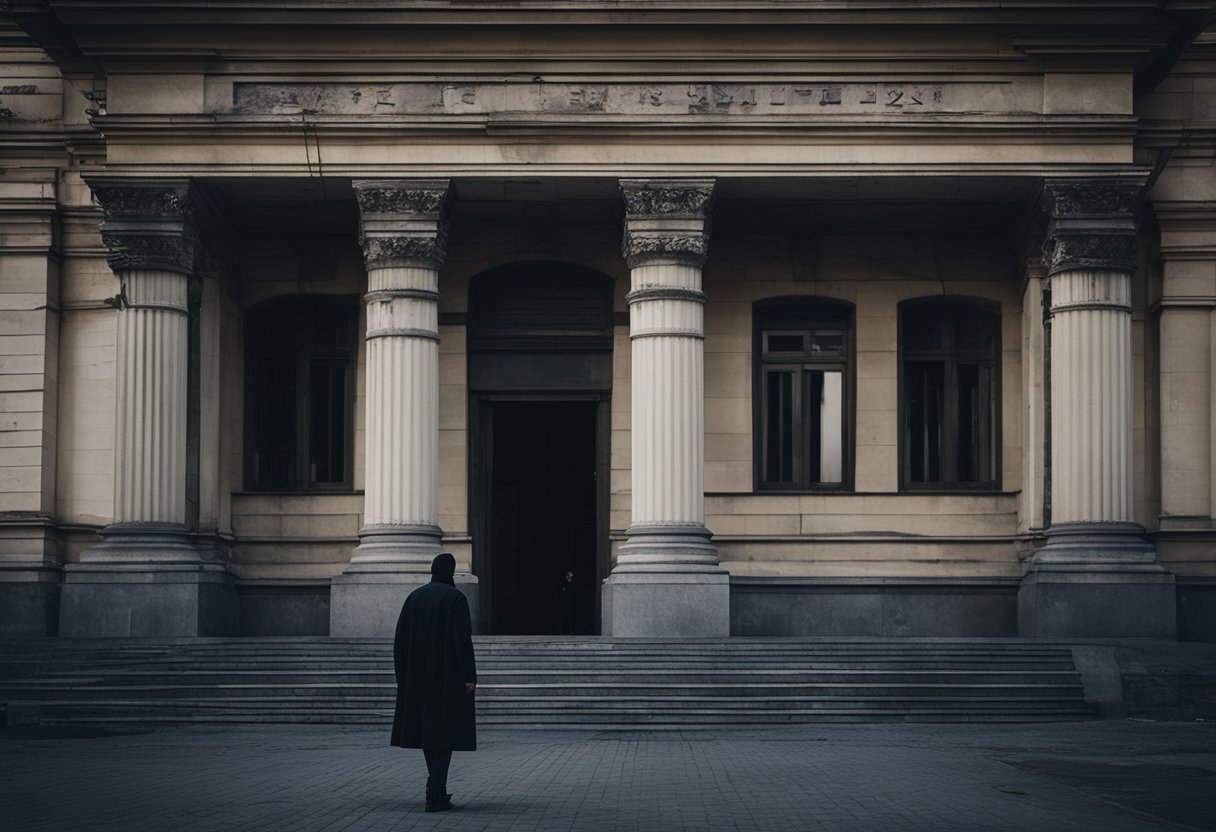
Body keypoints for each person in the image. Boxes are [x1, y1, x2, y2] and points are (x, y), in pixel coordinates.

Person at [391, 553, 477, 813]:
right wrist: (470, 675)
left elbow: (399, 641)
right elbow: (462, 640)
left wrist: (402, 677)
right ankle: (435, 793)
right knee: (446, 735)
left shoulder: (414, 598)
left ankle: (437, 790)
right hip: (448, 679)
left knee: (429, 733)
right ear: (451, 571)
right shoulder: (455, 598)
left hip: (417, 679)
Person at [558, 569, 579, 635]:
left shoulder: (573, 583)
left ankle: (571, 630)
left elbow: (574, 592)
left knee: (571, 617)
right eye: (568, 575)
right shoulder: (564, 583)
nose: (569, 577)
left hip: (572, 603)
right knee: (564, 617)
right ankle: (563, 631)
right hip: (565, 603)